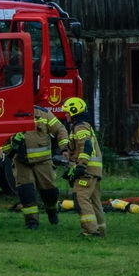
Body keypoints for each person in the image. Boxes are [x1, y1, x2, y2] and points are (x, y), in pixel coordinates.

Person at [1, 105, 69, 229]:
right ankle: (31, 221)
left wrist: (64, 147)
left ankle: (52, 211)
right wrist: (11, 150)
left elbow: (60, 129)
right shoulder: (8, 114)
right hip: (21, 162)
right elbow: (2, 138)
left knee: (50, 191)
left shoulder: (43, 114)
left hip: (43, 162)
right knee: (25, 192)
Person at [61, 96, 106, 237]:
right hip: (94, 170)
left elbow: (85, 145)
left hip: (87, 170)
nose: (66, 115)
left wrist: (81, 166)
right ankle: (101, 230)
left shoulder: (80, 126)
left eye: (68, 112)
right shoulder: (84, 125)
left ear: (74, 112)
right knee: (94, 201)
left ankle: (91, 231)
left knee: (80, 197)